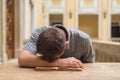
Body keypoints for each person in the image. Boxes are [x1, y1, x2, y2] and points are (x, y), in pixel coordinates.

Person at [18, 24, 95, 68]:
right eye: (46, 58)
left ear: (66, 45)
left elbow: (90, 68)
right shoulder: (38, 34)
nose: (50, 61)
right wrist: (60, 62)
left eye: (54, 58)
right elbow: (22, 58)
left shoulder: (84, 40)